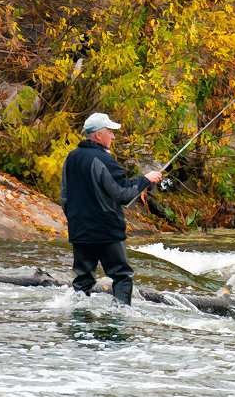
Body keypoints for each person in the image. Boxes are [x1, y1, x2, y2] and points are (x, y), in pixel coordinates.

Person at [60, 112, 163, 304]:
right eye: (110, 132)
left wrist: (75, 221)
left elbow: (64, 196)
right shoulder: (105, 160)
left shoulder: (71, 158)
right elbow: (122, 194)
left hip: (80, 231)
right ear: (99, 135)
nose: (113, 136)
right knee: (122, 276)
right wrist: (145, 179)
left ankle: (77, 320)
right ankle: (120, 318)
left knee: (83, 280)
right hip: (106, 231)